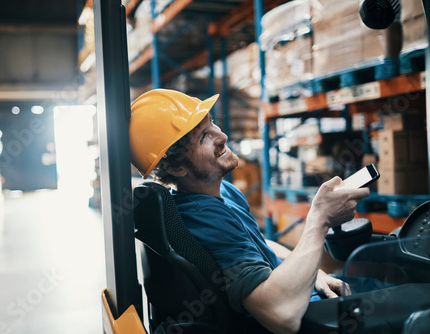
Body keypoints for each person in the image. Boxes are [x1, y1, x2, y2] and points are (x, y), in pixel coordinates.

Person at [129, 89, 370, 333]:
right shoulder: (203, 218)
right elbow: (280, 315)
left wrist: (313, 274)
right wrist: (320, 220)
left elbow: (256, 243)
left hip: (300, 294)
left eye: (212, 123)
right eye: (203, 137)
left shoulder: (225, 192)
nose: (221, 135)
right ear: (176, 167)